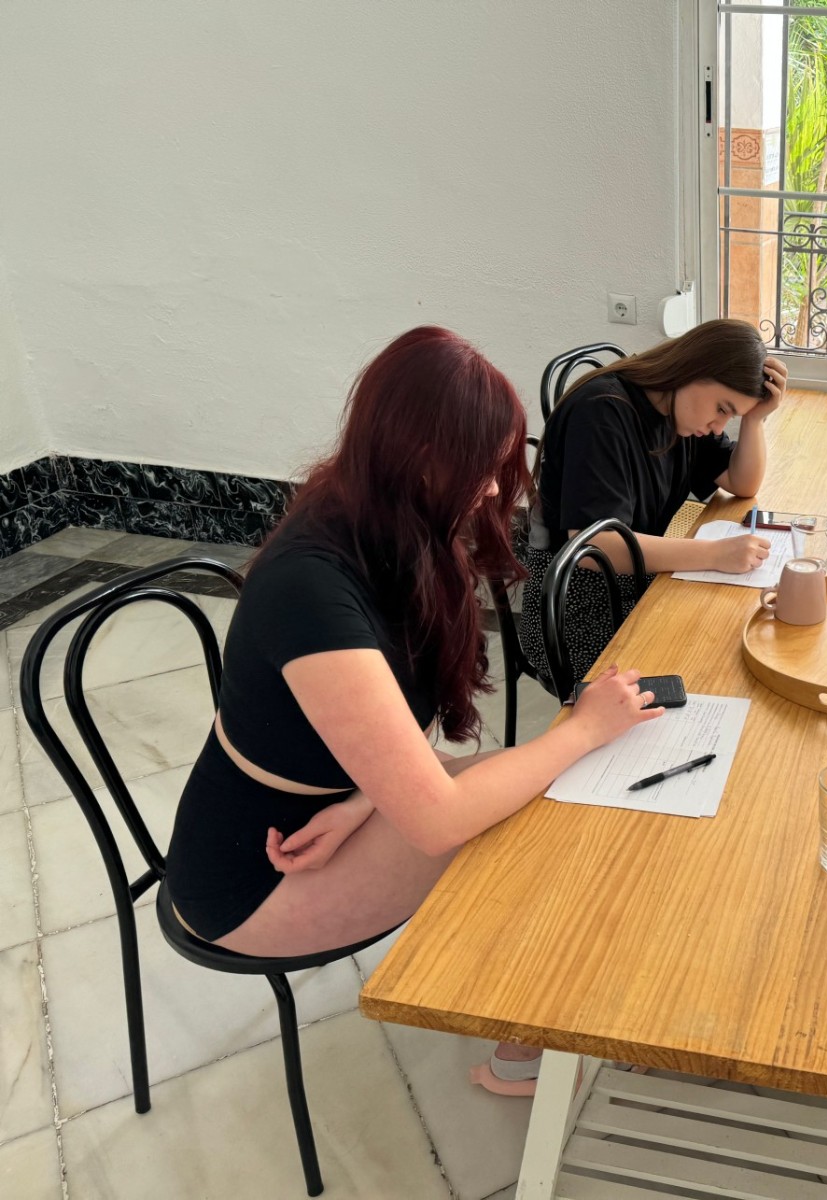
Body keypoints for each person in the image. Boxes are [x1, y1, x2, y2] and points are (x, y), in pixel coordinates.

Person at [163, 327, 663, 1096]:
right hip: (250, 876)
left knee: (542, 792)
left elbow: (409, 726)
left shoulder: (398, 532)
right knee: (527, 809)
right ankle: (527, 1045)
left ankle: (545, 1011)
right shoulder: (312, 588)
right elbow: (437, 820)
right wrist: (587, 726)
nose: (492, 491)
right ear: (421, 455)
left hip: (321, 816)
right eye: (483, 468)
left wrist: (364, 800)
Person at [517, 319, 786, 688]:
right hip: (573, 609)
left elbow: (742, 483)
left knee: (734, 635)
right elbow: (595, 547)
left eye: (731, 415)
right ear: (695, 368)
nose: (719, 426)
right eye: (723, 409)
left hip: (636, 583)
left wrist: (755, 420)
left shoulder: (677, 411)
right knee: (718, 663)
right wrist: (714, 554)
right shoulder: (601, 413)